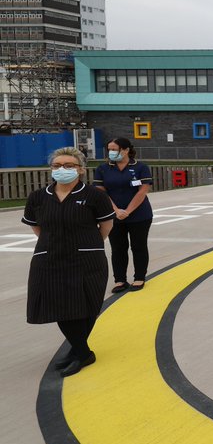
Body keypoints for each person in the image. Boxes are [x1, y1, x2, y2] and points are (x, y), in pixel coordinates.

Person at [24, 147, 115, 377]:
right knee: (59, 305)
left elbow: (106, 226)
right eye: (56, 165)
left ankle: (77, 351)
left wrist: (88, 244)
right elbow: (37, 227)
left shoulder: (94, 196)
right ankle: (83, 352)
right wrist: (55, 242)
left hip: (87, 258)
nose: (61, 169)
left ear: (81, 169)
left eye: (68, 165)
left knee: (87, 304)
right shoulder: (38, 197)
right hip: (49, 258)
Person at [93, 137, 153, 293]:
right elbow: (101, 192)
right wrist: (116, 210)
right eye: (109, 149)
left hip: (139, 214)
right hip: (114, 215)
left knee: (138, 246)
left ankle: (139, 277)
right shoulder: (103, 169)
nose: (111, 152)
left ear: (126, 150)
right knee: (118, 248)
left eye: (114, 149)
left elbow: (143, 191)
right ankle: (119, 280)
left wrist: (128, 211)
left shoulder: (140, 167)